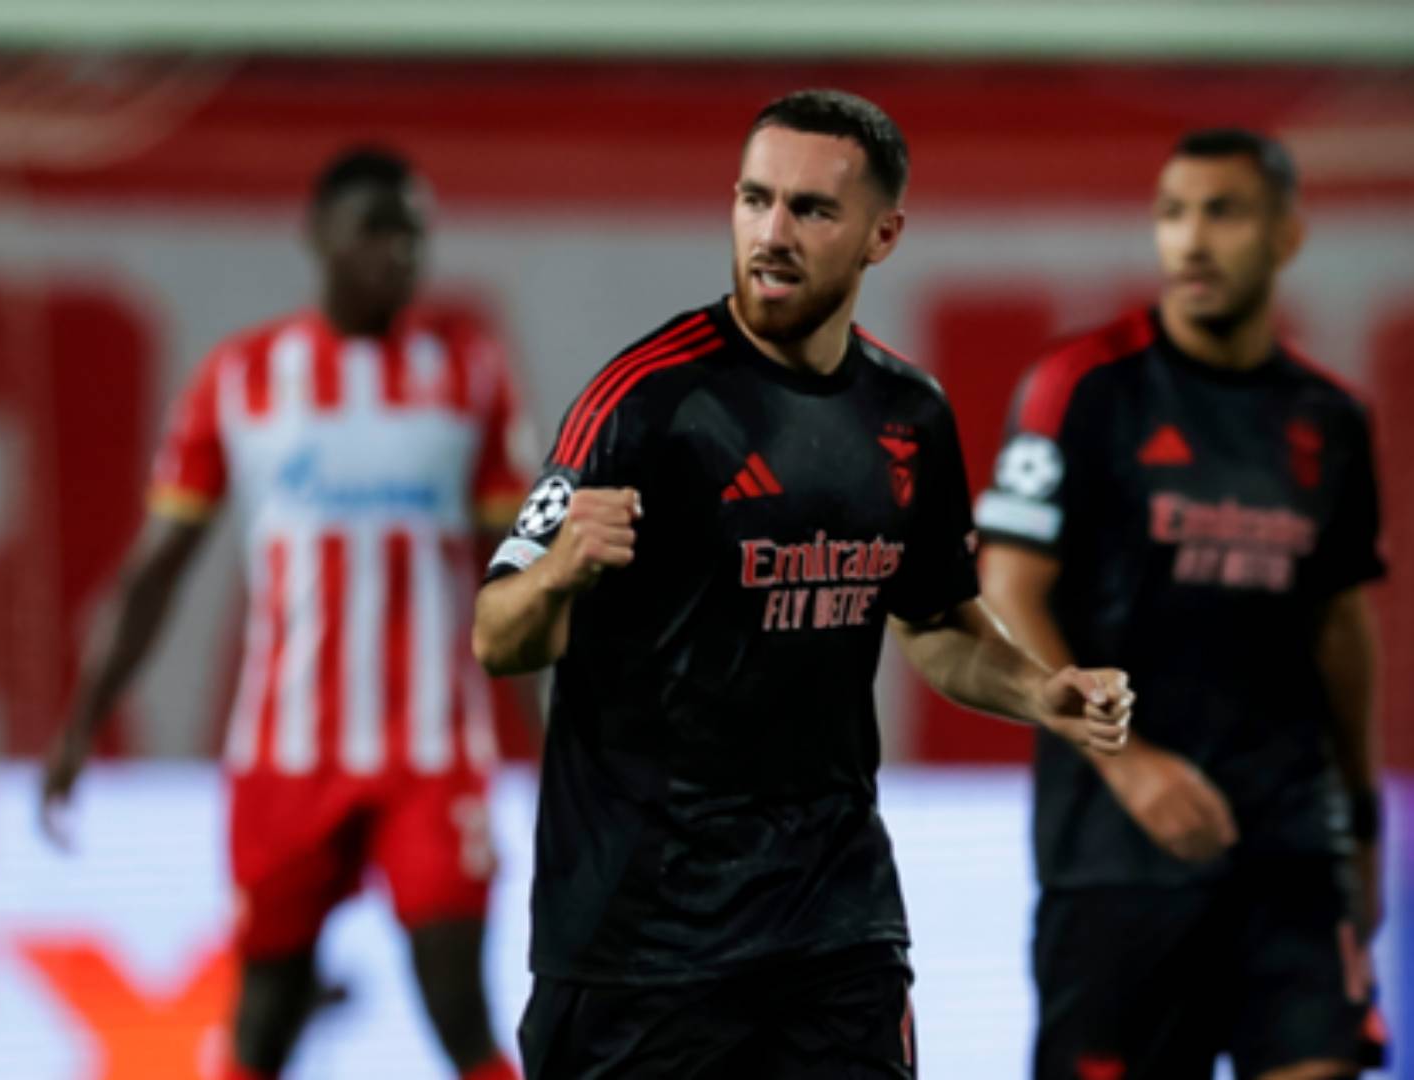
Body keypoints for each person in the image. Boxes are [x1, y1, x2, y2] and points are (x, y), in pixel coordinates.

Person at [472, 89, 1135, 1079]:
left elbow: (936, 623)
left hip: (834, 929)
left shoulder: (909, 414)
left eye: (811, 210)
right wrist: (560, 570)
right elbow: (498, 635)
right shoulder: (645, 402)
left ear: (882, 236)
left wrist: (1042, 690)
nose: (772, 234)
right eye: (755, 199)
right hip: (640, 945)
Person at [41, 146, 528, 1080]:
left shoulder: (469, 374)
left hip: (433, 755)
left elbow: (523, 576)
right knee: (263, 1022)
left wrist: (573, 749)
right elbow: (156, 574)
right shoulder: (243, 379)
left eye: (413, 234)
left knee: (459, 1010)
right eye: (375, 231)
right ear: (318, 237)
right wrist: (82, 721)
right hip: (285, 756)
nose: (399, 254)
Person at [975, 129, 1390, 1080]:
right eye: (1173, 214)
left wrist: (1363, 824)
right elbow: (1005, 589)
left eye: (1223, 212)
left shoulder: (1332, 418)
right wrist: (1127, 763)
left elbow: (1339, 625)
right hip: (1116, 858)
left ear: (1286, 235)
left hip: (1288, 847)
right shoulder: (1080, 387)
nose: (1191, 240)